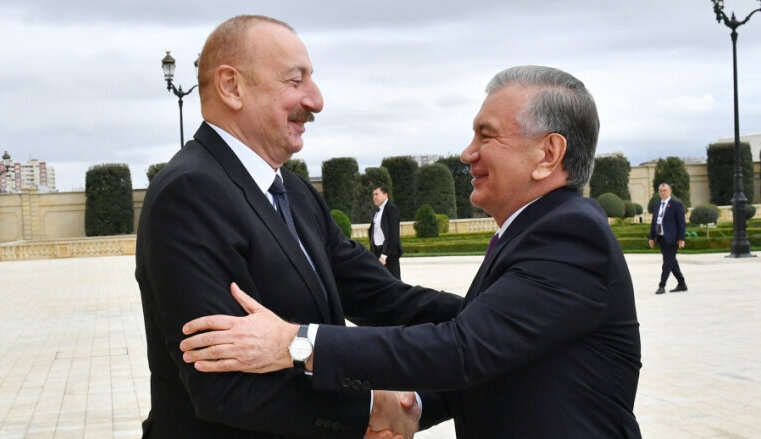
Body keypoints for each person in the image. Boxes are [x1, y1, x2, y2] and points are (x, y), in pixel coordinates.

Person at [181, 65, 643, 438]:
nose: (467, 153)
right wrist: (411, 406)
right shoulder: (538, 229)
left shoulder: (569, 235)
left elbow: (463, 348)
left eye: (486, 136)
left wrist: (295, 344)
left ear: (548, 154)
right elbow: (498, 355)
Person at [136, 15, 462, 439]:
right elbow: (223, 388)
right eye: (295, 80)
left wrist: (493, 319)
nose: (316, 100)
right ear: (232, 86)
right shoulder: (189, 194)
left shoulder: (292, 190)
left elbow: (380, 296)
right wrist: (369, 411)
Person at [649, 183, 687, 294]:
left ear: (670, 191)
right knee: (671, 261)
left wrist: (681, 238)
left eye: (665, 190)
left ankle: (662, 286)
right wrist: (651, 237)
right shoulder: (657, 205)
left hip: (672, 238)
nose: (662, 192)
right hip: (661, 238)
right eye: (660, 191)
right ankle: (682, 283)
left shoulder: (676, 204)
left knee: (667, 262)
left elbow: (681, 223)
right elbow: (654, 222)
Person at [369, 186, 402, 279]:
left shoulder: (391, 208)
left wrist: (384, 255)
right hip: (377, 251)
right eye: (373, 195)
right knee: (379, 279)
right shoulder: (378, 211)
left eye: (377, 194)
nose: (374, 197)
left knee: (394, 279)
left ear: (385, 195)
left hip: (389, 252)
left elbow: (393, 234)